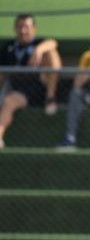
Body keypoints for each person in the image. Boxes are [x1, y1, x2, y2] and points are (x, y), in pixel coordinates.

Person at [0, 13, 61, 148]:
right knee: (9, 101)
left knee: (51, 53)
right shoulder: (9, 47)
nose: (23, 31)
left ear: (34, 28)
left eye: (26, 27)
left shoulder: (39, 43)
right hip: (17, 89)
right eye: (19, 27)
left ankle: (51, 97)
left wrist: (38, 51)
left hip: (39, 87)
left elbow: (53, 43)